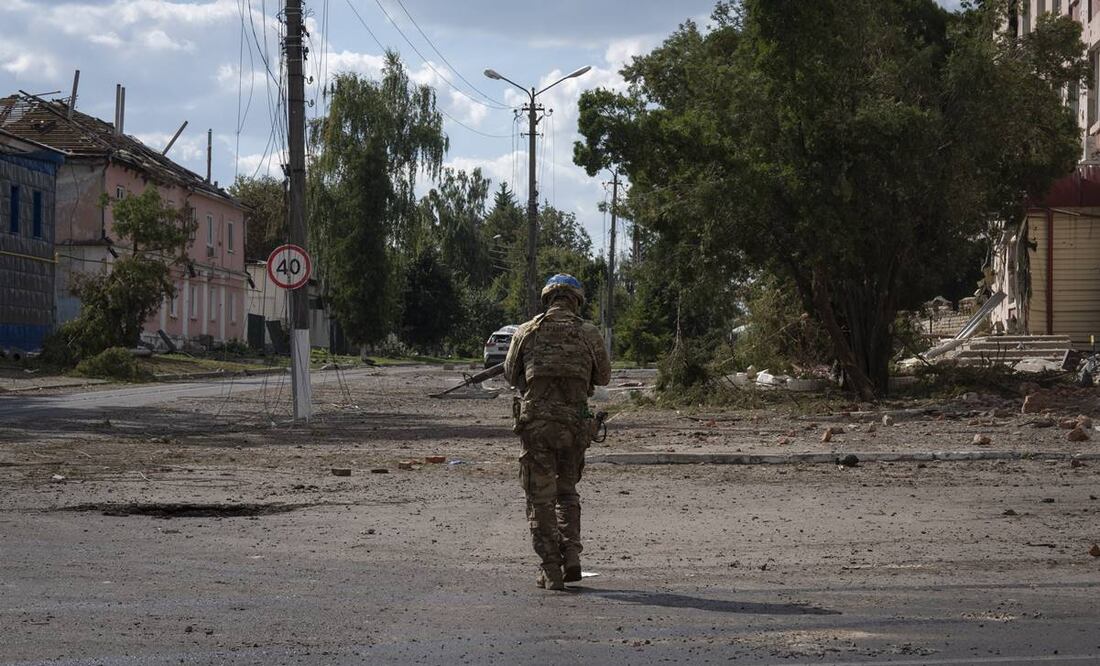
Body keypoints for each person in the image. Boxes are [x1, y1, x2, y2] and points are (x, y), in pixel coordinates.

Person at [503, 274, 612, 591]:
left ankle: (551, 568)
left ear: (548, 299)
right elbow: (603, 377)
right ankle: (573, 556)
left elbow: (511, 374)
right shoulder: (588, 333)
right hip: (574, 427)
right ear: (576, 300)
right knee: (567, 492)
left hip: (537, 426)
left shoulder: (527, 331)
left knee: (540, 498)